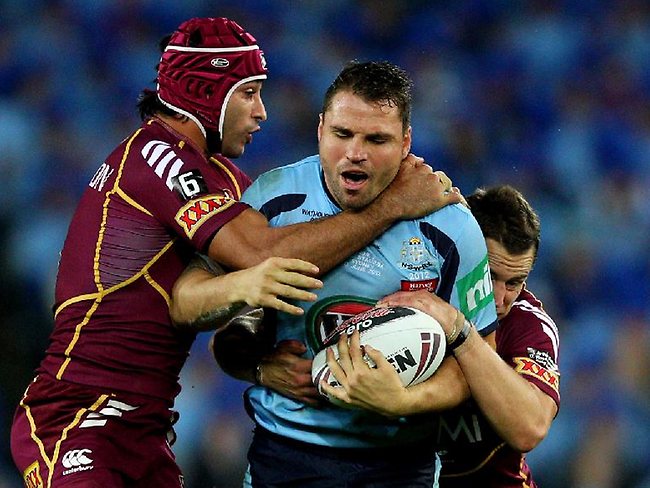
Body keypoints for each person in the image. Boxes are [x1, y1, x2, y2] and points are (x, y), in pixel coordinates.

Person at [9, 18, 458, 488]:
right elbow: (261, 253)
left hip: (144, 425)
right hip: (81, 412)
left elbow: (223, 294)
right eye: (249, 93)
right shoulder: (156, 154)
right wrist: (392, 205)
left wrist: (261, 365)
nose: (261, 112)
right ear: (206, 92)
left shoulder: (219, 179)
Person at [173, 60, 498, 487]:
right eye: (342, 134)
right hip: (286, 455)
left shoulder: (451, 224)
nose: (355, 153)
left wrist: (405, 398)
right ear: (320, 128)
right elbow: (200, 313)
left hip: (401, 464)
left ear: (406, 142)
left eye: (376, 139)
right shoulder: (272, 201)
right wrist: (258, 367)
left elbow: (477, 363)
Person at [324, 185, 560, 487]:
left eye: (514, 283)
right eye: (489, 276)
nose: (499, 300)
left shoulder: (528, 326)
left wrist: (459, 330)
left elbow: (529, 428)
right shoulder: (404, 301)